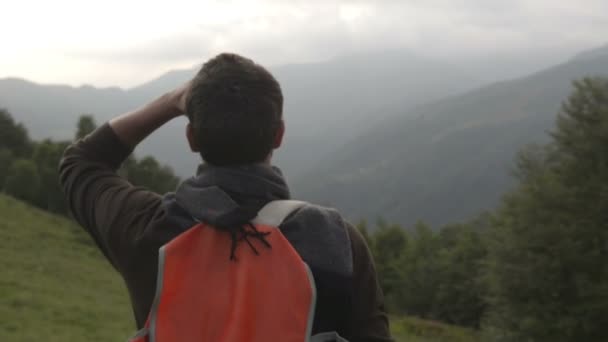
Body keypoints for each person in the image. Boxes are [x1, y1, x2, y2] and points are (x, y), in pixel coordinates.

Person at [59, 53, 392, 341]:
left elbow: (82, 162)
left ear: (191, 138)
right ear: (279, 135)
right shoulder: (338, 244)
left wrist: (173, 101)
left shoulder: (147, 230)